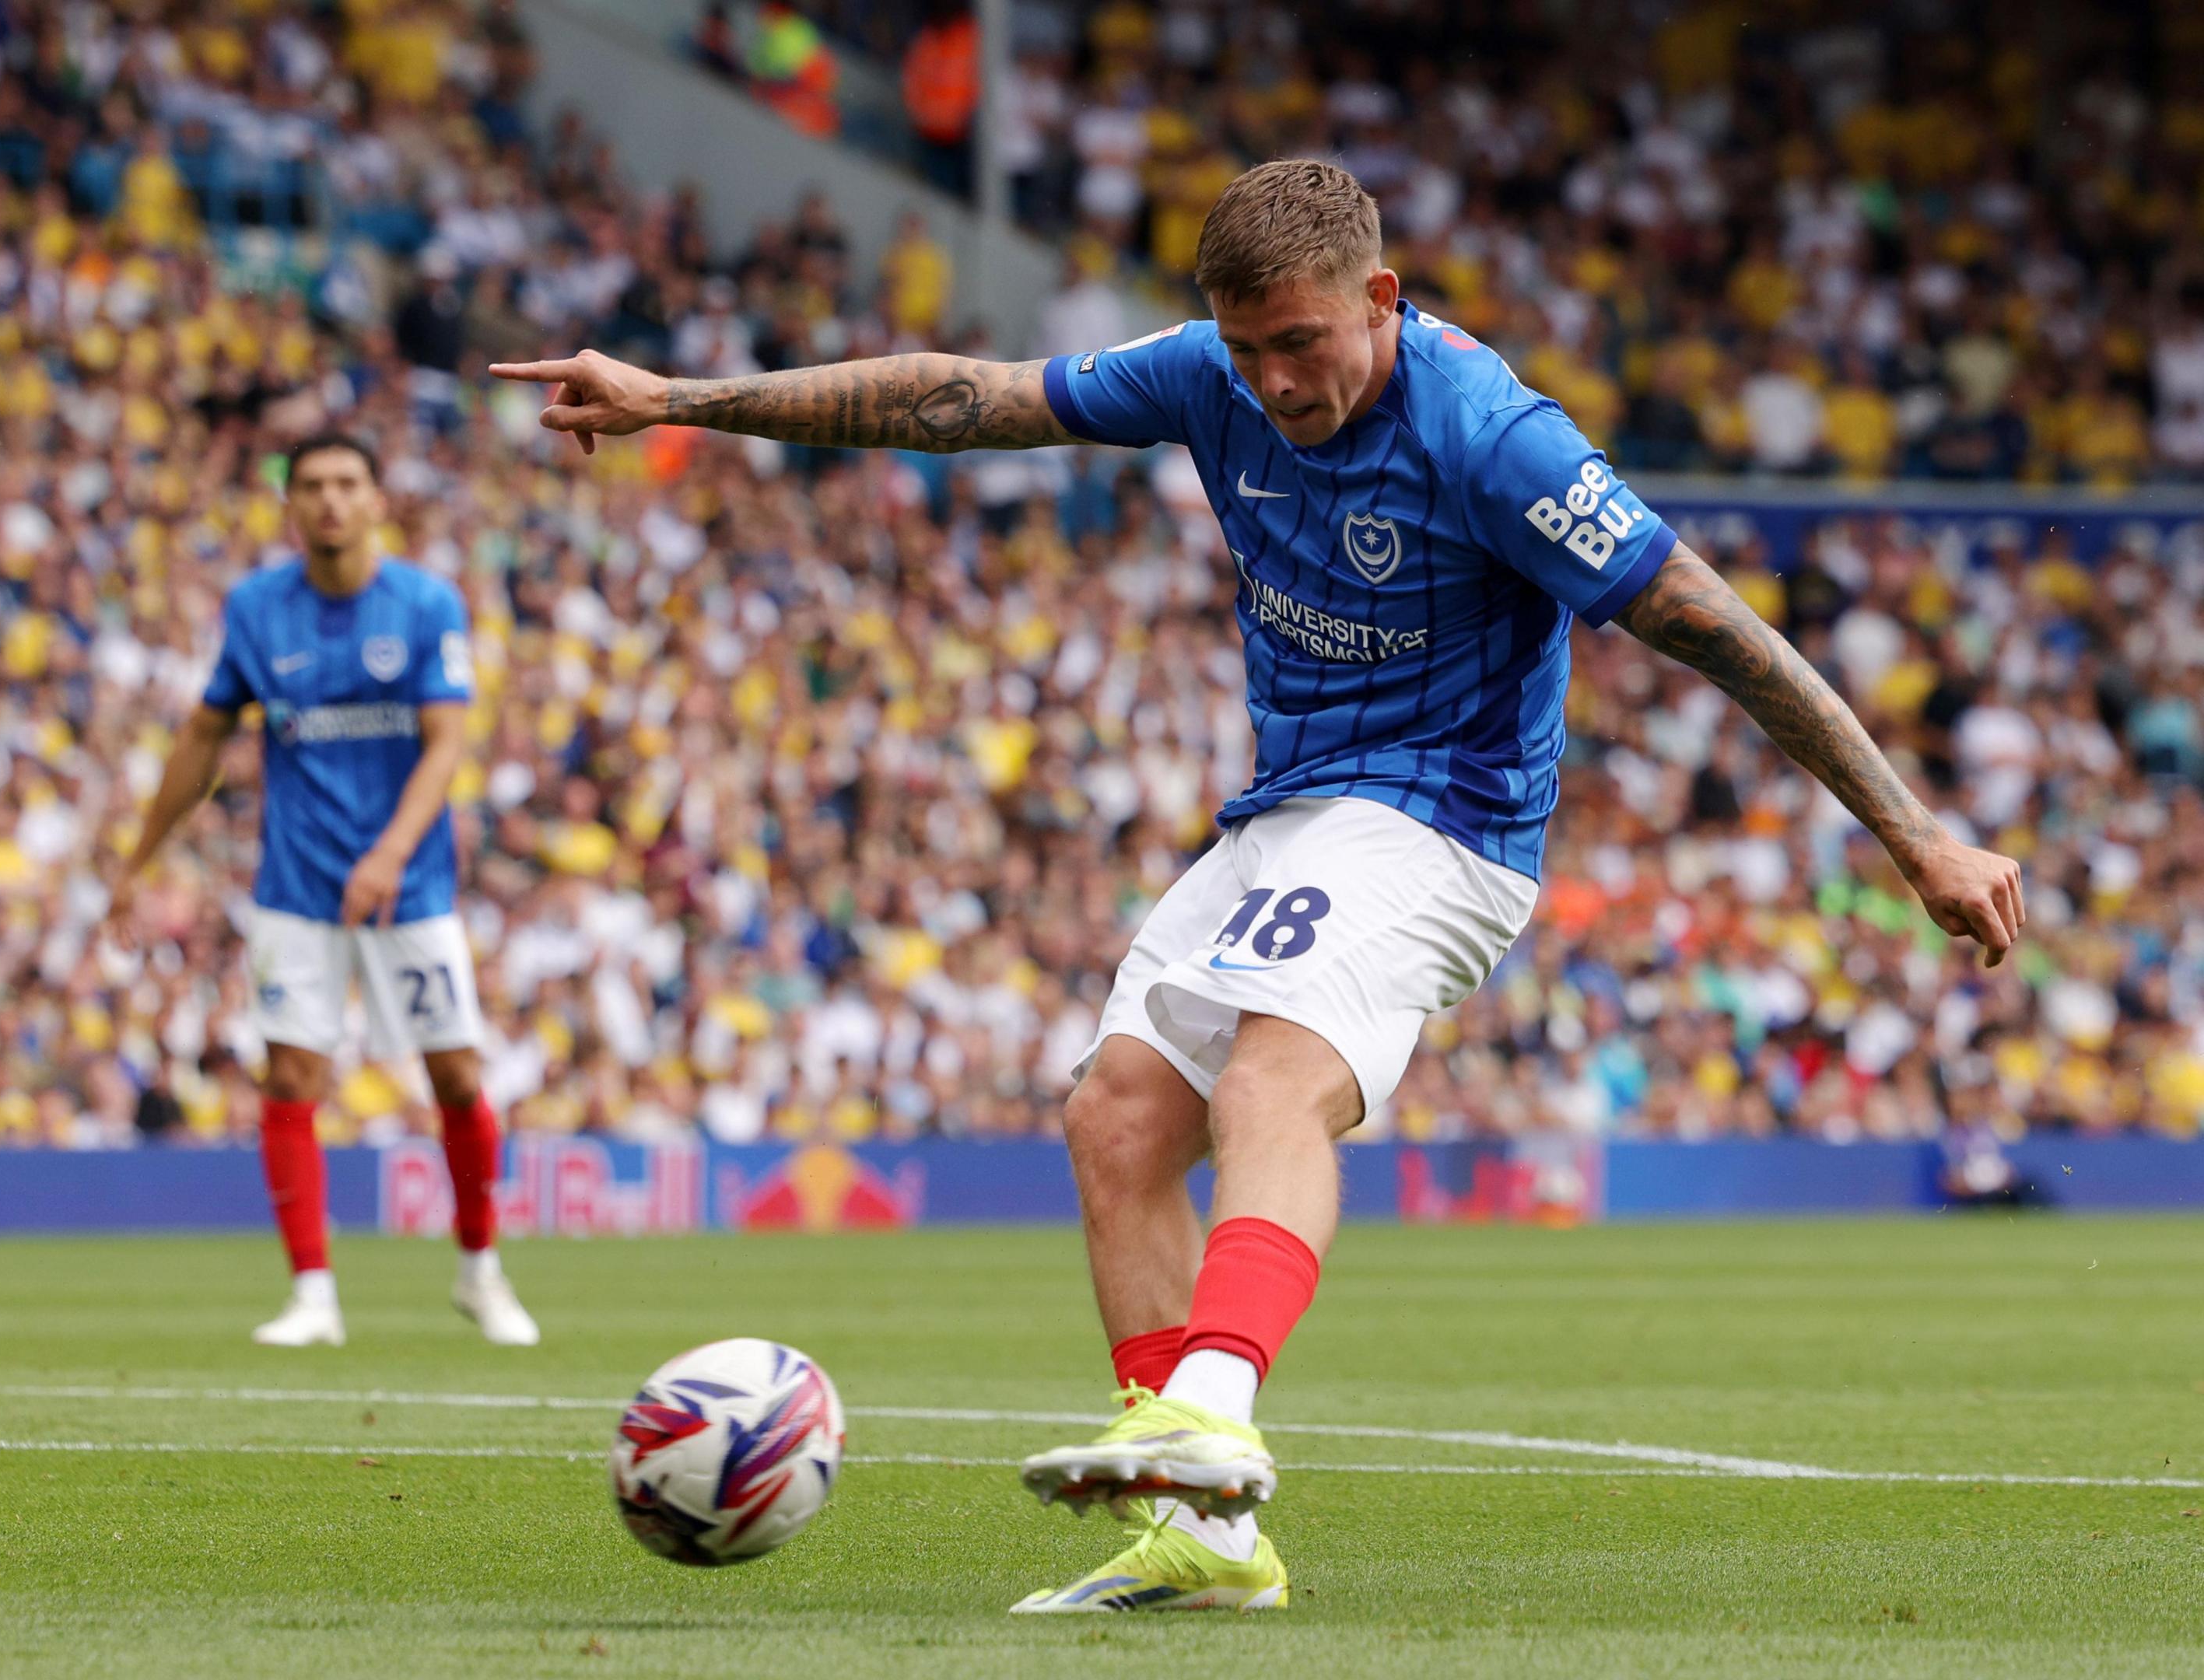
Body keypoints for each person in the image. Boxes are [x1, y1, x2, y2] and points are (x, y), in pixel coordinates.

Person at [495, 158, 2024, 1613]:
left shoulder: (1495, 437)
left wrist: (1918, 841)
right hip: (1291, 816)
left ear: (1382, 295)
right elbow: (968, 397)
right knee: (1116, 1117)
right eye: (1250, 350)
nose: (1278, 383)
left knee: (1271, 1082)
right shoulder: (1209, 369)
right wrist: (682, 400)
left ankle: (1211, 1422)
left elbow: (1715, 629)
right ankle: (1195, 1538)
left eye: (1303, 343)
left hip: (1445, 828)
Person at [105, 433, 538, 1349]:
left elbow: (448, 744)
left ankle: (480, 1269)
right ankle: (312, 1292)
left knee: (455, 1074)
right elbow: (202, 736)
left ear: (378, 499)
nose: (331, 501)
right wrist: (139, 857)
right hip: (297, 883)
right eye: (311, 486)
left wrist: (388, 853)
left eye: (348, 483)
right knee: (293, 1073)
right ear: (289, 505)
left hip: (409, 886)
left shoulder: (426, 603)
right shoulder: (258, 609)